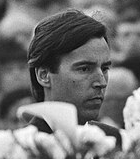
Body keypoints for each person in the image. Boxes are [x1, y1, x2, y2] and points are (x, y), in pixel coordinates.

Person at [26, 9, 122, 142]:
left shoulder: (115, 141)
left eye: (105, 68)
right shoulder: (24, 148)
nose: (101, 82)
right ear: (44, 75)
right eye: (84, 69)